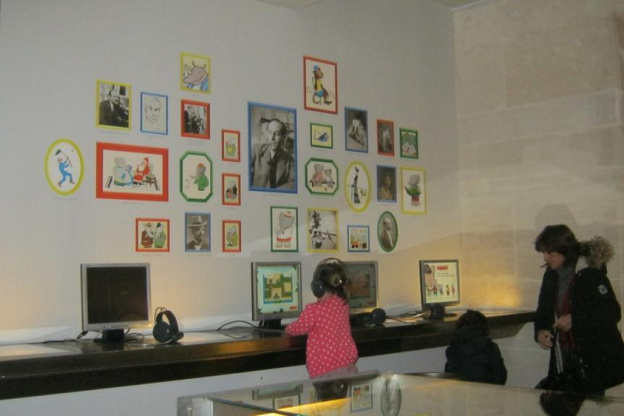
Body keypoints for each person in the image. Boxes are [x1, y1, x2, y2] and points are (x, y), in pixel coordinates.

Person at [534, 224, 624, 395]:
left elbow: (612, 312)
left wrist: (574, 319)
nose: (545, 257)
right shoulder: (551, 275)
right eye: (544, 252)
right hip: (564, 355)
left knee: (590, 405)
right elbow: (543, 310)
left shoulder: (590, 273)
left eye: (550, 253)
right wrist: (540, 330)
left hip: (591, 357)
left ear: (565, 250)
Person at [285, 258, 358, 379]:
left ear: (317, 288)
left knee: (324, 393)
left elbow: (298, 328)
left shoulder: (315, 310)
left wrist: (287, 328)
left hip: (325, 369)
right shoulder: (343, 305)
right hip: (347, 365)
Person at [444, 310, 507, 385]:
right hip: (486, 389)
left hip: (460, 390)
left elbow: (448, 376)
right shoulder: (490, 347)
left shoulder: (452, 350)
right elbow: (500, 375)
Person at [250, 118, 295, 190]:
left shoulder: (289, 158)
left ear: (283, 137)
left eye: (277, 134)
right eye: (270, 132)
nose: (272, 138)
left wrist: (275, 193)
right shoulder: (256, 150)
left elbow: (294, 182)